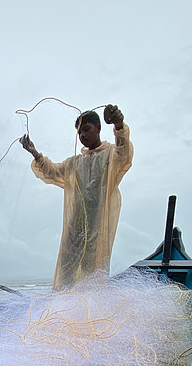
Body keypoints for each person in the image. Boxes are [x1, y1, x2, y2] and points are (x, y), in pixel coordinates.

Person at [20, 105, 133, 290]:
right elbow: (52, 171)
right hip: (73, 230)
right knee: (66, 275)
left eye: (86, 130)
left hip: (97, 229)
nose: (82, 136)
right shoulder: (74, 163)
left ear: (98, 127)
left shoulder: (110, 155)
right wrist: (34, 151)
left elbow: (124, 152)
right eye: (79, 133)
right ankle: (63, 312)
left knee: (92, 275)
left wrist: (119, 124)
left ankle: (89, 314)